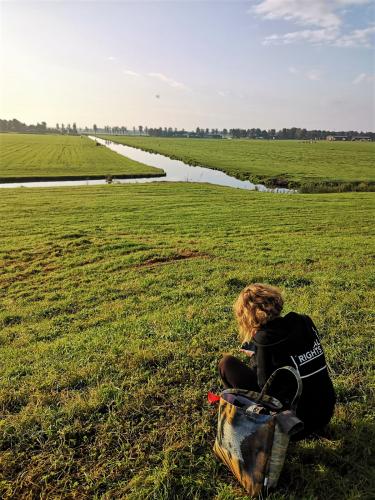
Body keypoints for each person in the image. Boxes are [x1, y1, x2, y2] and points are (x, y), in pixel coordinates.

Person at [218, 283, 336, 440]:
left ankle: (242, 421)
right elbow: (291, 350)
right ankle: (318, 429)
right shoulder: (304, 321)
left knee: (227, 364)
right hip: (325, 412)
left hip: (294, 426)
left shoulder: (264, 339)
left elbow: (265, 390)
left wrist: (255, 358)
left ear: (247, 315)